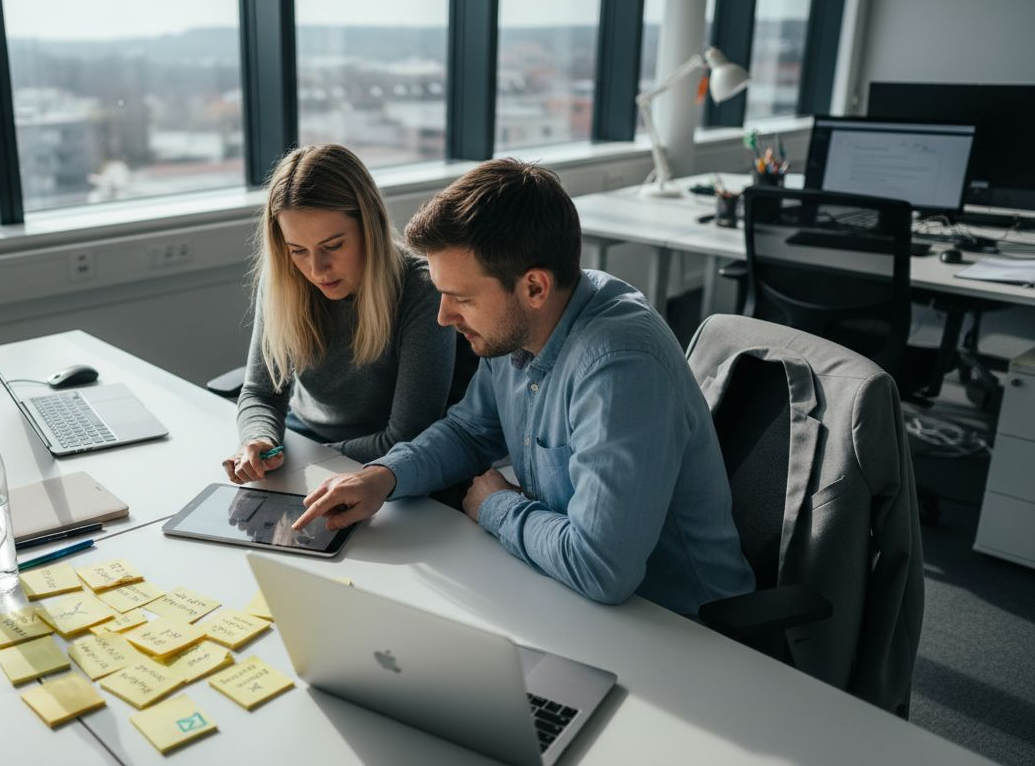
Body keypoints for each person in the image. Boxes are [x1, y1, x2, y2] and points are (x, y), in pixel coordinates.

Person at [293, 159, 754, 616]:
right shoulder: (520, 328)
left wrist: (495, 505)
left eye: (462, 298)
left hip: (680, 626)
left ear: (534, 287)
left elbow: (601, 568)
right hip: (567, 595)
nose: (444, 317)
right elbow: (470, 432)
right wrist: (383, 477)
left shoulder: (620, 367)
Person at [224, 144, 456, 484]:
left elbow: (406, 437)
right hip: (300, 449)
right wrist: (259, 440)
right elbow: (261, 392)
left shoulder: (421, 290)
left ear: (369, 227)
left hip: (379, 470)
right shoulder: (281, 281)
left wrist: (307, 461)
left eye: (333, 246)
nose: (317, 269)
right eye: (298, 250)